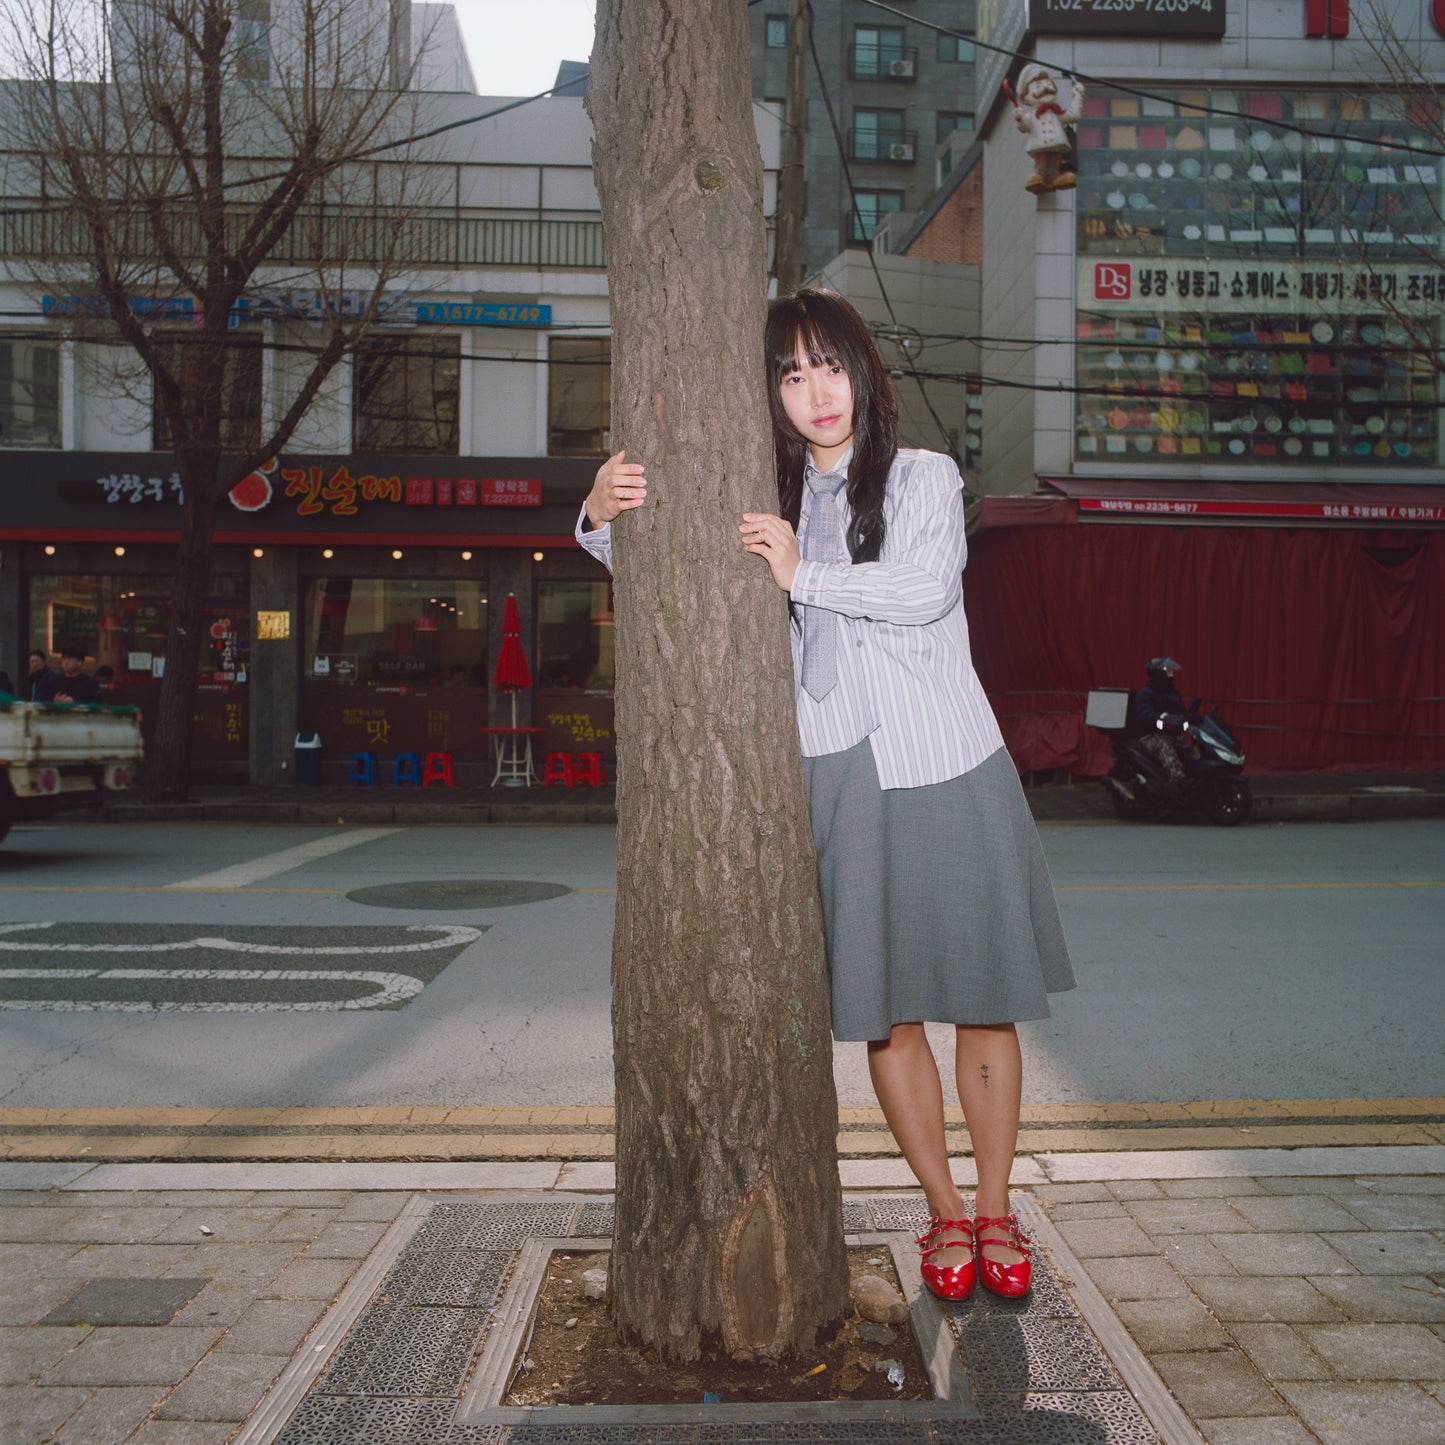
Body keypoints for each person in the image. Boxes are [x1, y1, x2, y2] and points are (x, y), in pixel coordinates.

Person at [577, 288, 1075, 1303]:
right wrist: (596, 510)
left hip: (948, 760)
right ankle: (940, 1213)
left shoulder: (924, 476)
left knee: (983, 1005)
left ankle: (994, 1206)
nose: (815, 392)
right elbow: (655, 560)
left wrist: (804, 574)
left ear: (863, 372)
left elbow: (923, 587)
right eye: (791, 374)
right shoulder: (766, 493)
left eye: (829, 366)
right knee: (885, 1014)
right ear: (771, 394)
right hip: (838, 771)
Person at [1130, 656, 1192, 789]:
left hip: (1169, 735)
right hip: (1149, 736)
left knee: (1188, 751)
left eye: (1171, 672)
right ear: (1158, 674)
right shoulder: (1145, 694)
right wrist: (1163, 718)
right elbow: (1144, 715)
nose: (1171, 675)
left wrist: (1191, 718)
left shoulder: (1173, 694)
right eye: (1168, 672)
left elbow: (1182, 712)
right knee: (1165, 748)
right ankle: (1178, 784)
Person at [35, 646, 101, 704]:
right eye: (64, 659)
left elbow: (96, 705)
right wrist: (54, 702)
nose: (66, 662)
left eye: (70, 659)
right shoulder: (54, 681)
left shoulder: (90, 683)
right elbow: (43, 701)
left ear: (80, 663)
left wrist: (73, 702)